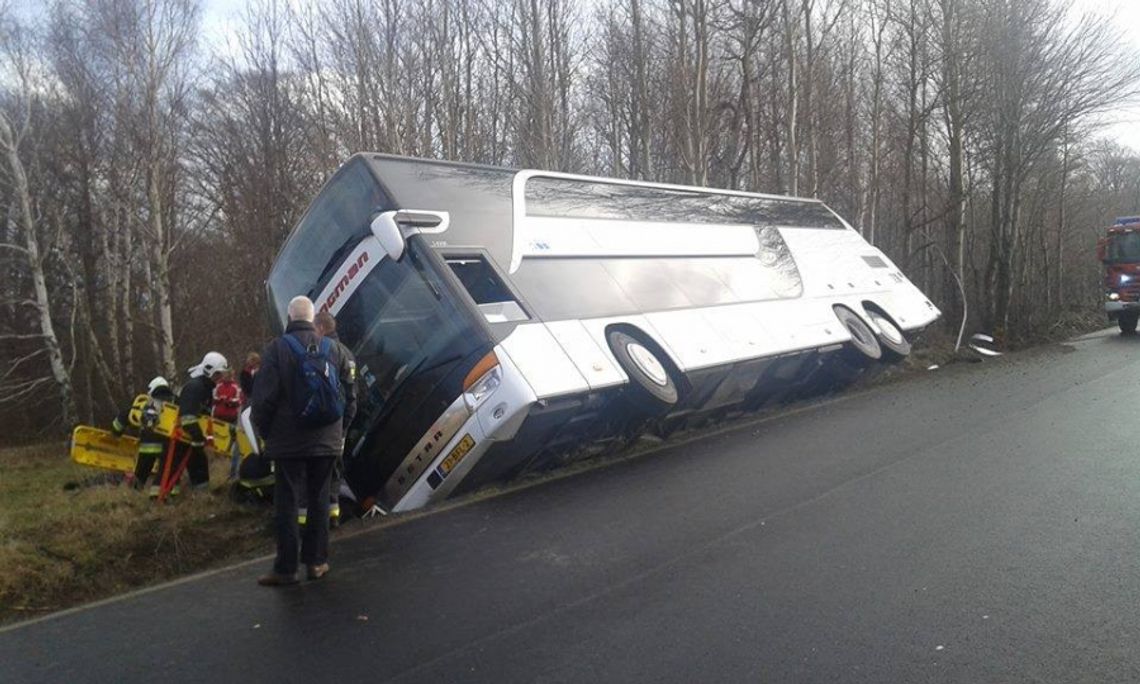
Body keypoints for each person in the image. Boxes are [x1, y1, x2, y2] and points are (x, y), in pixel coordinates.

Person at [253, 296, 355, 586]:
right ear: (312, 319)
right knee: (320, 499)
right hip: (327, 439)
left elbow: (263, 400)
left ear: (289, 317)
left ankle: (286, 569)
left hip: (288, 441)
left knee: (286, 502)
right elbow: (349, 395)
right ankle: (317, 562)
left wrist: (265, 433)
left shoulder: (276, 350)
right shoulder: (333, 349)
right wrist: (340, 430)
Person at [310, 310, 357, 526]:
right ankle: (334, 517)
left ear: (320, 328)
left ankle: (316, 517)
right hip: (341, 425)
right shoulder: (347, 353)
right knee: (335, 471)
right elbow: (352, 394)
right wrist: (345, 425)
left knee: (317, 470)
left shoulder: (321, 352)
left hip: (324, 425)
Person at [111, 376, 176, 496]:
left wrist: (116, 432)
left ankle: (134, 496)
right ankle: (163, 496)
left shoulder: (144, 403)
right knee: (166, 472)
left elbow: (123, 417)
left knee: (141, 474)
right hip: (167, 447)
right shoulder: (175, 404)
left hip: (146, 447)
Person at [176, 351, 228, 491]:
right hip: (182, 436)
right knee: (180, 468)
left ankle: (200, 495)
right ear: (209, 371)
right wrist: (198, 436)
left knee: (199, 465)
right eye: (218, 374)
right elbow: (187, 417)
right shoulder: (195, 387)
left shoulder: (204, 388)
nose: (220, 378)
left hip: (191, 436)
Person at [211, 368, 244, 479]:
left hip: (231, 417)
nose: (225, 377)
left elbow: (239, 400)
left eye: (227, 375)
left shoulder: (235, 387)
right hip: (219, 416)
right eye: (223, 375)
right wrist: (220, 399)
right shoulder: (218, 386)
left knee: (233, 440)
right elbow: (214, 398)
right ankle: (218, 462)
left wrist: (229, 401)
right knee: (218, 440)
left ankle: (231, 467)